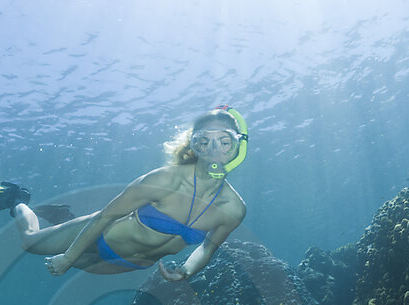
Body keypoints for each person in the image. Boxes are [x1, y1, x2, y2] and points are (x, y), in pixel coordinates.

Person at [13, 107, 248, 280]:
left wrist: (186, 271)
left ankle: (62, 218)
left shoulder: (234, 209)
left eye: (225, 142)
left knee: (78, 265)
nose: (214, 150)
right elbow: (105, 216)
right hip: (101, 234)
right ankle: (17, 200)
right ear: (193, 146)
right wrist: (67, 258)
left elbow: (208, 247)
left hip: (128, 263)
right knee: (30, 243)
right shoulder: (164, 179)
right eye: (204, 141)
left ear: (238, 146)